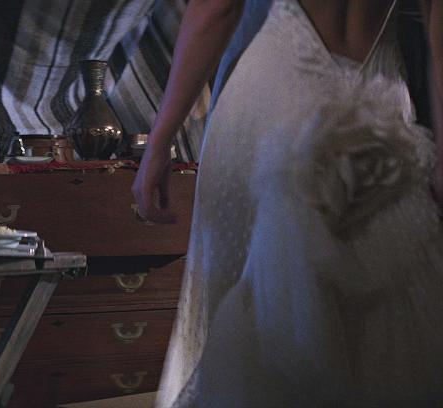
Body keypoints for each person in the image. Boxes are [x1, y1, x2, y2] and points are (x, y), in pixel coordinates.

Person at [131, 0, 443, 406]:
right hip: (382, 113)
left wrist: (159, 141)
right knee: (380, 326)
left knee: (256, 318)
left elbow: (216, 9)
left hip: (275, 104)